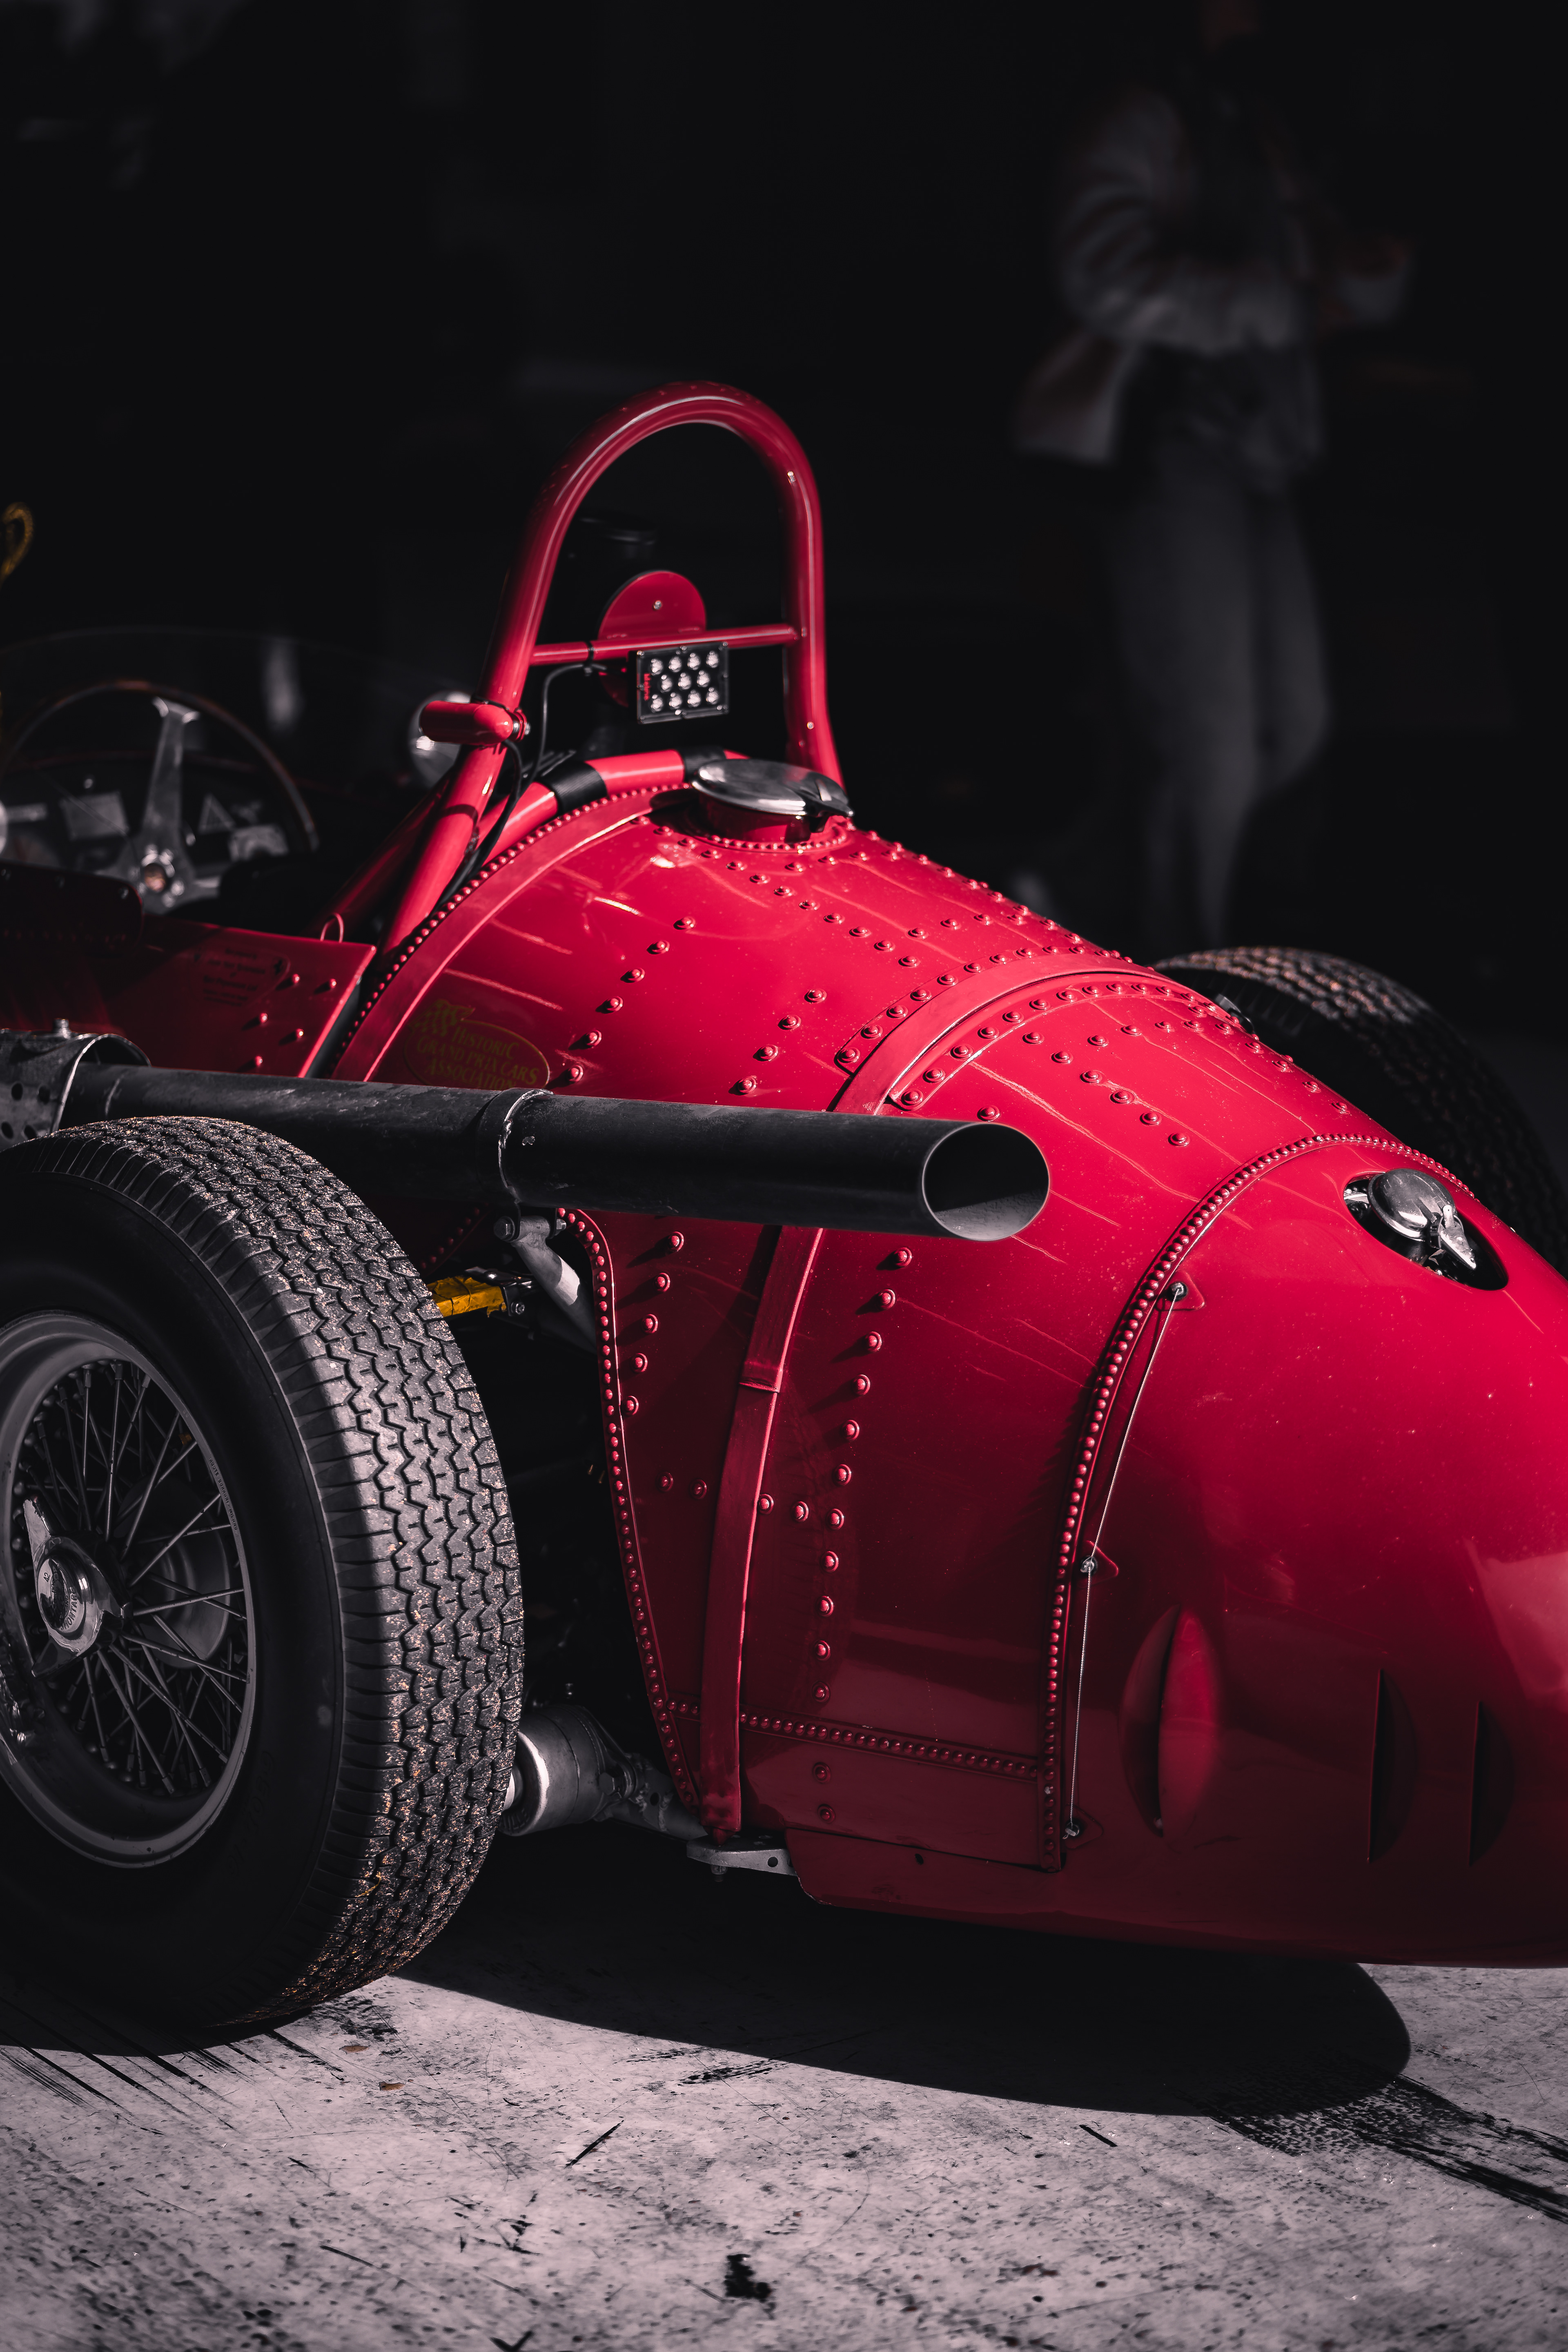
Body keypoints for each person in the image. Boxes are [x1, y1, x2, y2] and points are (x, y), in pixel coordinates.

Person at [1015, 0, 1408, 955]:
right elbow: (1104, 276)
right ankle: (1184, 966)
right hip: (1175, 442)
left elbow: (1323, 274)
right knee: (1211, 741)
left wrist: (1359, 280)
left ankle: (1092, 890)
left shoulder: (1257, 126)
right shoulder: (1141, 119)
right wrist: (1282, 303)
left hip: (1265, 447)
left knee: (1292, 722)